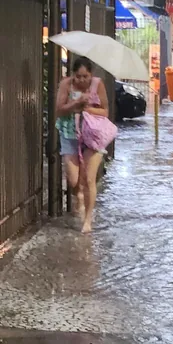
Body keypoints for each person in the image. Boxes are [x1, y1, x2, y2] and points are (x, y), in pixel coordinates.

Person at [55, 56, 109, 233]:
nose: (81, 80)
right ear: (73, 75)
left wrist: (88, 109)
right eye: (78, 76)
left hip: (93, 135)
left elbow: (105, 111)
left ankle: (87, 220)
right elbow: (59, 110)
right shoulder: (66, 85)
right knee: (73, 179)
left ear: (91, 75)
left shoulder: (98, 85)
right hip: (70, 132)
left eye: (85, 76)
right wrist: (75, 104)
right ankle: (78, 194)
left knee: (89, 178)